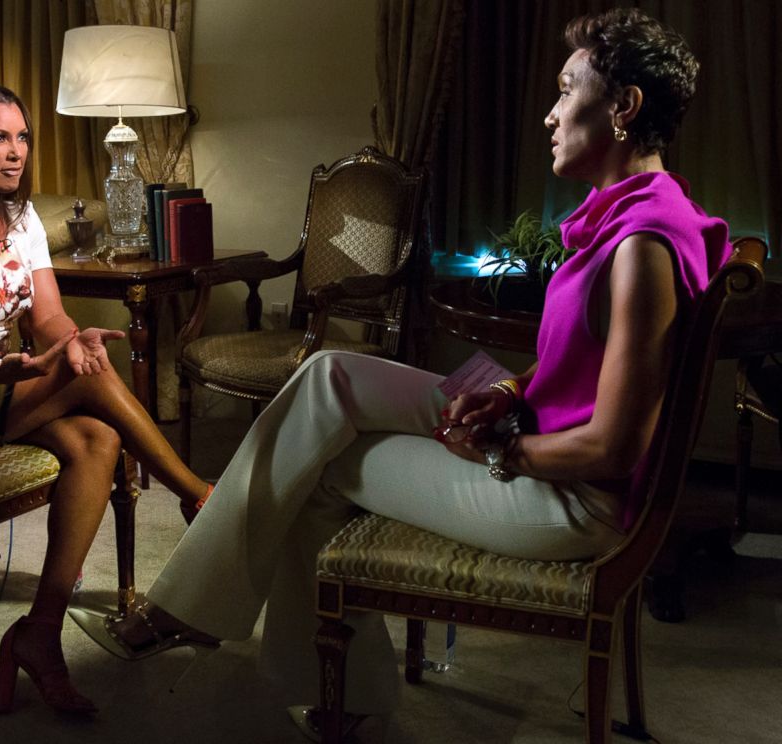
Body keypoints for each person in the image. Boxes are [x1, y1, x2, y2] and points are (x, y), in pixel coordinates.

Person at [71, 7, 731, 735]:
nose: (549, 114)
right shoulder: (633, 216)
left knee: (314, 466)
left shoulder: (643, 246)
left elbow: (615, 448)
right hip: (530, 427)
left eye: (567, 91)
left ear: (623, 107)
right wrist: (508, 391)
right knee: (328, 376)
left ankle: (273, 656)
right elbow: (576, 363)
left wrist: (497, 447)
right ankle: (244, 636)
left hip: (571, 502)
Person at [0, 76, 213, 715]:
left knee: (98, 435)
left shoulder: (22, 218)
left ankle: (39, 634)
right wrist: (7, 373)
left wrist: (73, 339)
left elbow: (48, 317)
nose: (17, 151)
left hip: (3, 382)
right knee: (85, 377)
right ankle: (197, 493)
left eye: (22, 136)